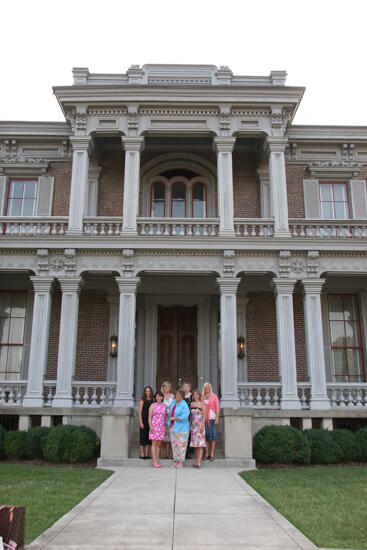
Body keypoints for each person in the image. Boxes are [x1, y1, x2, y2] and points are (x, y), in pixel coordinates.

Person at [169, 389, 190, 468]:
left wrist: (174, 418)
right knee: (174, 445)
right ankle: (176, 461)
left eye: (178, 395)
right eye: (176, 395)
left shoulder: (184, 404)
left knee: (181, 445)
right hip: (173, 427)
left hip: (182, 428)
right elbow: (170, 413)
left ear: (182, 397)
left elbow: (184, 417)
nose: (176, 396)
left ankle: (181, 462)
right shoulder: (174, 402)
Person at [148, 390, 166, 468]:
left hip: (161, 427)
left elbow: (164, 418)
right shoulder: (153, 405)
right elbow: (149, 417)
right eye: (157, 396)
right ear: (155, 397)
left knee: (158, 445)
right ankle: (154, 461)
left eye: (160, 396)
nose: (158, 397)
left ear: (162, 397)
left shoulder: (164, 406)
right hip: (154, 426)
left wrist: (165, 427)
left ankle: (157, 461)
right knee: (154, 444)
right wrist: (151, 427)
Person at [202, 382, 219, 461]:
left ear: (210, 388)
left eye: (209, 387)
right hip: (204, 419)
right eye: (206, 387)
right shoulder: (202, 397)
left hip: (212, 418)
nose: (207, 388)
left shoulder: (214, 396)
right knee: (206, 437)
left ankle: (212, 453)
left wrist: (217, 418)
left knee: (212, 437)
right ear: (204, 388)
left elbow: (217, 408)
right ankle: (206, 453)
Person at [190, 389, 206, 468]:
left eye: (197, 394)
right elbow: (190, 416)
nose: (196, 395)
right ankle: (196, 462)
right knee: (196, 445)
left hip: (200, 426)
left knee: (200, 444)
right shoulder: (191, 404)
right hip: (193, 426)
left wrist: (203, 425)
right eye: (194, 394)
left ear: (199, 395)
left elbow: (204, 415)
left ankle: (199, 463)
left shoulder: (202, 404)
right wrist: (190, 425)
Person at [138, 386, 154, 459]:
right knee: (142, 437)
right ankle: (142, 454)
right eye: (146, 391)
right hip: (143, 421)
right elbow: (139, 412)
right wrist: (140, 422)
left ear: (151, 392)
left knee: (148, 438)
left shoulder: (152, 401)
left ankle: (147, 454)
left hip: (150, 421)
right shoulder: (142, 400)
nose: (148, 392)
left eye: (149, 391)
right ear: (145, 392)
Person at [161, 381, 175, 459]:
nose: (167, 388)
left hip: (170, 418)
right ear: (163, 388)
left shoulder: (172, 396)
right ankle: (162, 454)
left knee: (169, 437)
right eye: (165, 386)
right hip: (162, 418)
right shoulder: (161, 396)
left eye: (168, 386)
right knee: (162, 437)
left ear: (170, 388)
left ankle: (167, 454)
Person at [183, 381, 193, 459]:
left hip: (191, 416)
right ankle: (184, 452)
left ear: (190, 388)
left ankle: (189, 453)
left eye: (187, 386)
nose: (186, 387)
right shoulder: (182, 396)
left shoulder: (192, 396)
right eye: (185, 386)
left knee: (190, 435)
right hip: (183, 417)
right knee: (185, 435)